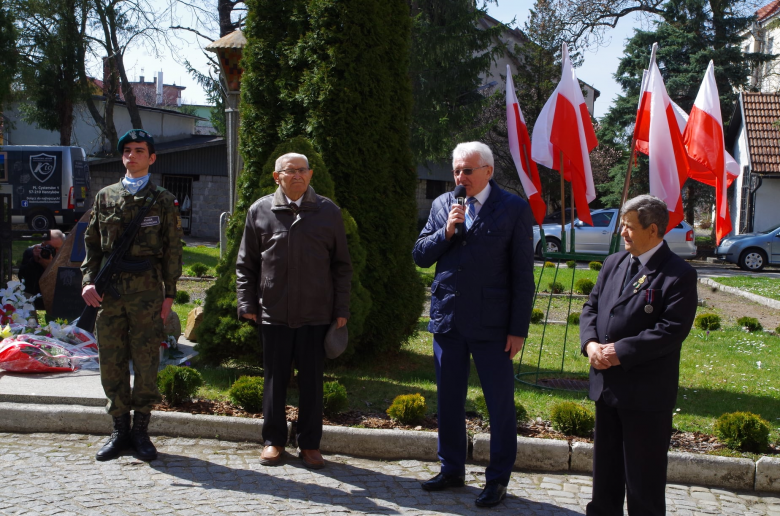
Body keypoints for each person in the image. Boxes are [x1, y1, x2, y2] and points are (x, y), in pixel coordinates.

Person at [412, 142, 535, 508]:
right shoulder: (442, 206)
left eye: (467, 170)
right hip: (448, 320)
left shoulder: (513, 208)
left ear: (488, 171)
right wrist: (446, 232)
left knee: (499, 404)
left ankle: (497, 479)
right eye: (456, 170)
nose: (460, 177)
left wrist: (518, 329)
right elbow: (420, 255)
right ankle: (451, 469)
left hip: (494, 326)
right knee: (448, 400)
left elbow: (522, 275)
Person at [580, 194, 698, 516]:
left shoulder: (678, 274)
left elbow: (670, 330)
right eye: (622, 225)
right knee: (605, 481)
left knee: (643, 485)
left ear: (653, 230)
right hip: (607, 388)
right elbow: (591, 308)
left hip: (645, 396)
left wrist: (619, 351)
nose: (622, 233)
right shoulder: (613, 263)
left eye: (629, 227)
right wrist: (590, 345)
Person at [236, 152, 352, 470]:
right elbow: (246, 264)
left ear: (311, 175)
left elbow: (342, 266)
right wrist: (246, 303)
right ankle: (273, 441)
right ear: (277, 177)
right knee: (274, 380)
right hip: (273, 313)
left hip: (317, 315)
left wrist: (341, 308)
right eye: (290, 171)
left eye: (303, 170)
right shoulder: (260, 210)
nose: (297, 175)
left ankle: (310, 445)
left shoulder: (328, 212)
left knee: (313, 381)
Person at [81, 129, 183, 462]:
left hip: (147, 293)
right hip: (109, 294)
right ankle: (119, 429)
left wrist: (169, 295)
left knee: (145, 361)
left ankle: (141, 431)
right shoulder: (105, 197)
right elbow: (92, 245)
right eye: (127, 150)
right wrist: (87, 282)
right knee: (110, 360)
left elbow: (172, 250)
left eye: (140, 150)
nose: (132, 155)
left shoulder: (163, 199)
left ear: (152, 157)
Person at [18, 230, 65, 309]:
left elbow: (64, 284)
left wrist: (49, 267)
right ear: (42, 245)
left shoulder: (66, 256)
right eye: (49, 248)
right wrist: (34, 260)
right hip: (35, 298)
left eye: (57, 248)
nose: (53, 251)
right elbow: (23, 278)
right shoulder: (31, 253)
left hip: (58, 301)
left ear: (63, 246)